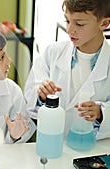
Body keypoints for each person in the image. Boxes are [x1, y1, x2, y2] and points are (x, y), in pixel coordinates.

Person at [24, 0, 110, 140]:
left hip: (94, 149)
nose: (70, 30)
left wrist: (101, 113)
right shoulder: (53, 53)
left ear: (104, 24)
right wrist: (41, 95)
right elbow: (29, 98)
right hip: (52, 141)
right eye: (67, 21)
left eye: (79, 24)